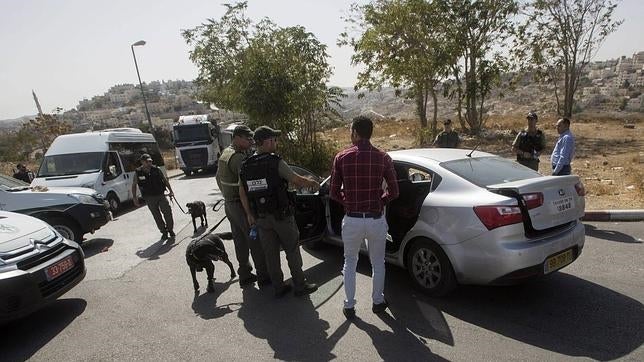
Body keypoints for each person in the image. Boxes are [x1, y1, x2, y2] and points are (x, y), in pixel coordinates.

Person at [329, 116, 399, 319]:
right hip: (376, 220)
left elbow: (334, 193)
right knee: (378, 263)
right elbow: (395, 191)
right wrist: (380, 201)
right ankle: (378, 302)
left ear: (355, 133)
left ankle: (349, 306)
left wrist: (348, 202)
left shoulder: (341, 157)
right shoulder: (384, 157)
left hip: (352, 220)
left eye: (351, 131)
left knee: (349, 262)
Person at [239, 126, 320, 298]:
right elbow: (296, 180)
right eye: (274, 140)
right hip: (281, 216)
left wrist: (249, 214)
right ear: (267, 142)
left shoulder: (246, 165)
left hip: (260, 217)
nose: (275, 142)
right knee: (292, 249)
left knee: (271, 254)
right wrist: (313, 182)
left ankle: (279, 287)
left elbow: (242, 192)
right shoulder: (274, 161)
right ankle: (300, 285)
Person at [216, 125, 270, 288]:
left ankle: (245, 274)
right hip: (240, 205)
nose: (250, 142)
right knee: (255, 240)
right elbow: (248, 183)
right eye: (247, 139)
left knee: (240, 241)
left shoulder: (226, 153)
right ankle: (263, 276)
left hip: (230, 204)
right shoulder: (238, 158)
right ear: (237, 137)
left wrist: (227, 195)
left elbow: (218, 178)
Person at [132, 154, 176, 239]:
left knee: (167, 212)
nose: (149, 163)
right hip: (149, 198)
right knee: (157, 216)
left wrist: (171, 191)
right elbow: (134, 185)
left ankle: (170, 229)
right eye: (147, 161)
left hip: (160, 195)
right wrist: (134, 197)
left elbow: (165, 180)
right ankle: (164, 232)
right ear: (142, 162)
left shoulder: (156, 169)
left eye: (150, 161)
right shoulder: (138, 172)